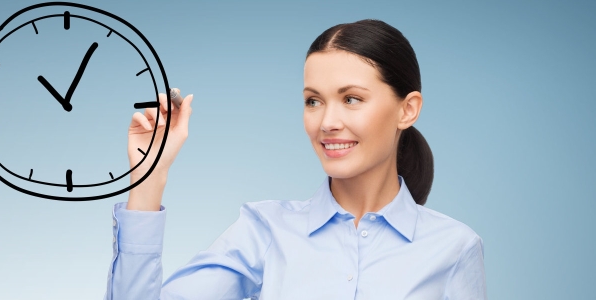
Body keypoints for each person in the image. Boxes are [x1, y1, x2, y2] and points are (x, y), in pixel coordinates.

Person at [105, 19, 486, 300]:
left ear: (408, 109)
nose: (327, 122)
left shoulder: (454, 248)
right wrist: (147, 178)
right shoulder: (265, 230)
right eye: (313, 101)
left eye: (351, 99)